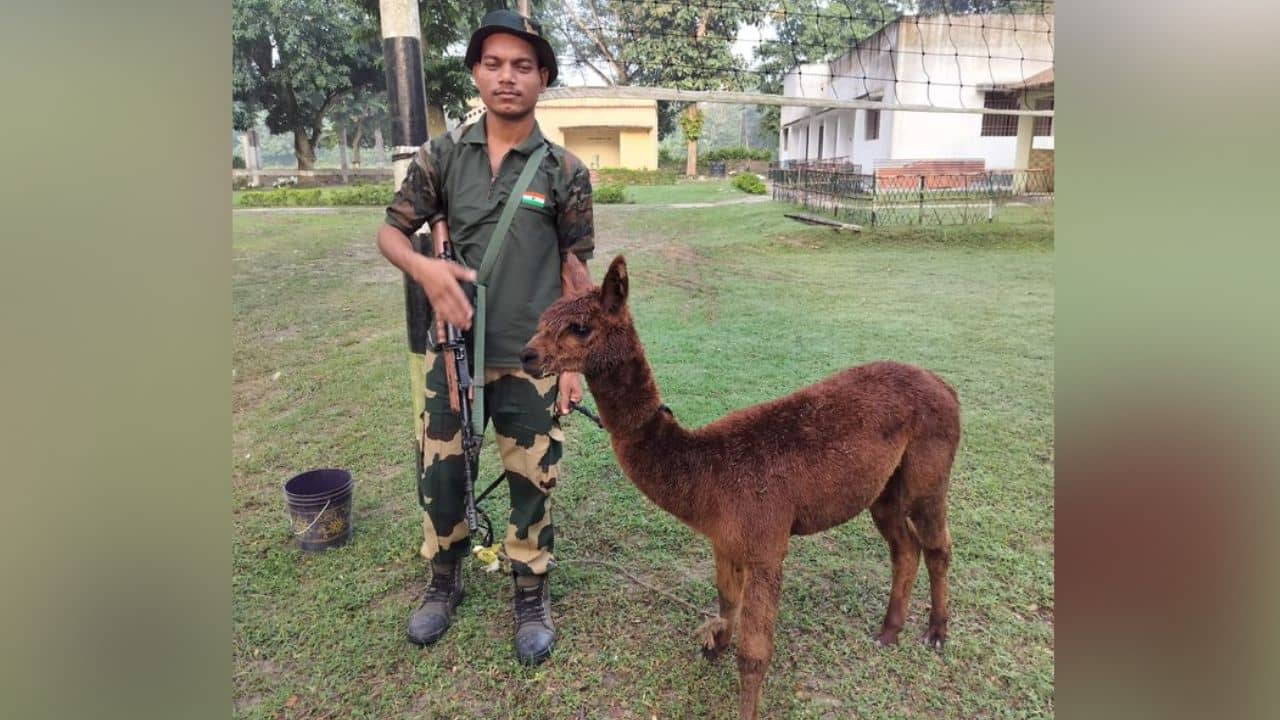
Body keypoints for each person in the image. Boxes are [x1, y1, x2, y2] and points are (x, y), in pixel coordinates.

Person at [375, 9, 593, 665]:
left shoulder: (564, 170)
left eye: (523, 66)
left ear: (543, 79)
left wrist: (576, 364)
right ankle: (443, 584)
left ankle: (531, 591)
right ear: (476, 72)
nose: (507, 77)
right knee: (442, 475)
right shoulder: (442, 157)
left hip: (532, 360)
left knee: (532, 476)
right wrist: (425, 267)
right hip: (453, 356)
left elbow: (576, 270)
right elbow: (390, 233)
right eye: (494, 64)